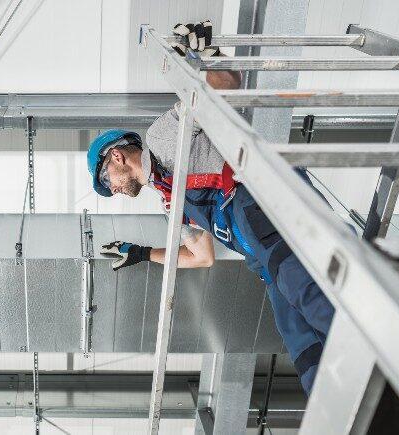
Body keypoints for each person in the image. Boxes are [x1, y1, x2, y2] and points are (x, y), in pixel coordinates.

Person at [88, 20, 335, 394]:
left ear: (118, 157)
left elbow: (223, 92)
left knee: (323, 309)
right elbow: (200, 256)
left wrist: (209, 56)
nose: (115, 190)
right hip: (263, 258)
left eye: (109, 181)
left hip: (266, 210)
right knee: (304, 349)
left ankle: (390, 388)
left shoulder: (161, 139)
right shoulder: (170, 200)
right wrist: (142, 252)